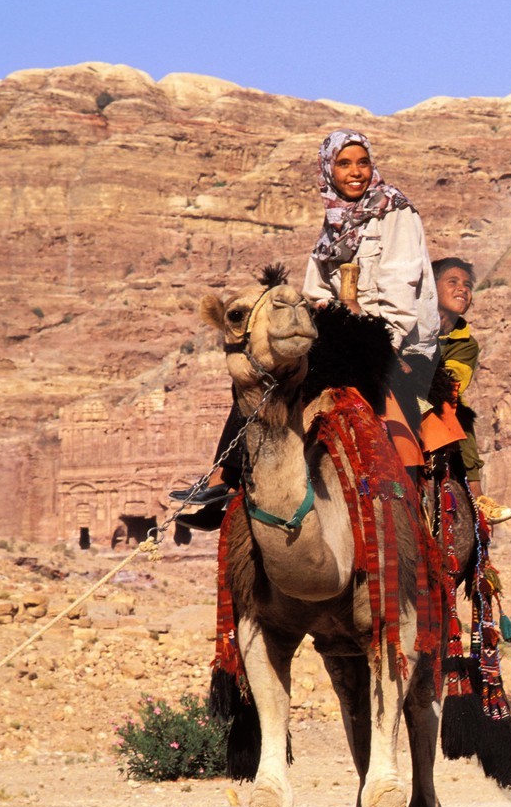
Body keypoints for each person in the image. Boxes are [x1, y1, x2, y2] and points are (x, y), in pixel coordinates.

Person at [177, 129, 451, 529]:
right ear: (328, 170)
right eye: (344, 164)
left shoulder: (394, 212)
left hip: (391, 334)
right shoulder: (335, 222)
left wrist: (371, 329)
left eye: (362, 162)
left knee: (295, 376)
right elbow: (315, 287)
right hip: (344, 328)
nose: (355, 172)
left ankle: (226, 479)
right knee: (260, 368)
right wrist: (322, 310)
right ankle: (227, 477)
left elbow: (402, 286)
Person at [433, 257, 511, 524]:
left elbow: (454, 379)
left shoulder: (466, 343)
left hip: (433, 399)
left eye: (468, 285)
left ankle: (477, 495)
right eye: (453, 282)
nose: (462, 289)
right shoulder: (406, 324)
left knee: (458, 412)